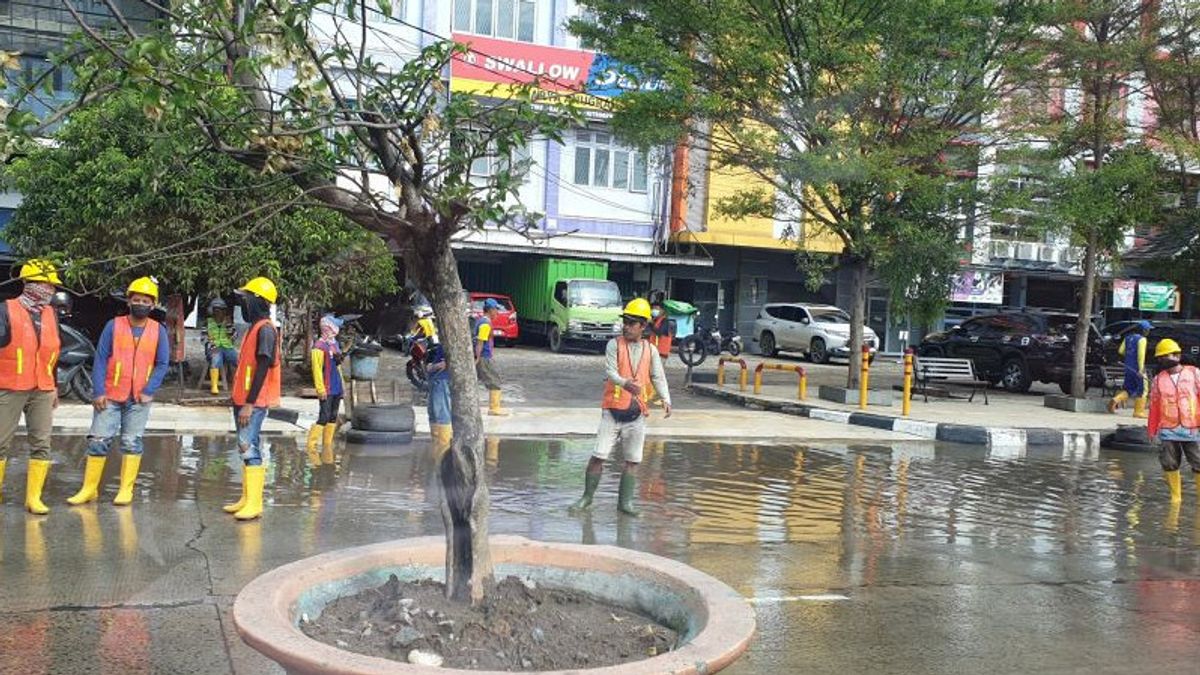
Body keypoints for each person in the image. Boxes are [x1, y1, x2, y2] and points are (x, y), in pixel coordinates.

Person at [68, 277, 169, 507]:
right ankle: (89, 489)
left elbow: (163, 363)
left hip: (139, 398)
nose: (140, 303)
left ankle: (126, 490)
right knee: (98, 441)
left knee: (132, 442)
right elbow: (101, 358)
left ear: (152, 305)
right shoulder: (113, 325)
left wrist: (150, 389)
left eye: (145, 300)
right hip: (111, 394)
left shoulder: (158, 330)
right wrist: (98, 391)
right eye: (136, 299)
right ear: (129, 301)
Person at [570, 298, 672, 517]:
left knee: (633, 460)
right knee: (599, 455)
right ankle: (586, 498)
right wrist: (626, 383)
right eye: (625, 321)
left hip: (636, 414)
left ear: (643, 326)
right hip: (612, 411)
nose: (626, 326)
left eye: (631, 322)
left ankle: (625, 503)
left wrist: (666, 398)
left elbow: (658, 376)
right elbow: (611, 372)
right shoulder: (614, 345)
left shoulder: (651, 350)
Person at [0, 259, 62, 515]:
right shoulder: (5, 310)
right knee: (0, 443)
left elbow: (53, 352)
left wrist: (54, 385)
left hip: (43, 388)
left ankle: (33, 498)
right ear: (26, 283)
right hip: (9, 386)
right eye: (41, 283)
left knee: (41, 443)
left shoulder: (51, 313)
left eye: (50, 285)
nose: (47, 289)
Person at [223, 276, 281, 521]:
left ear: (259, 301)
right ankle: (246, 498)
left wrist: (248, 403)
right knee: (244, 446)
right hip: (243, 399)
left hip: (253, 402)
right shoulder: (254, 328)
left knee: (249, 446)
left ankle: (255, 503)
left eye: (246, 298)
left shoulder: (265, 329)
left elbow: (263, 366)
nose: (243, 303)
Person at [1147, 338, 1200, 504]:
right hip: (1168, 429)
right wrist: (1151, 430)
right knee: (1169, 462)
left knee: (1198, 461)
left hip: (1193, 427)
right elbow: (1154, 406)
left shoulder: (1194, 373)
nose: (1162, 360)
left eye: (1165, 356)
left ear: (1177, 356)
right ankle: (1175, 498)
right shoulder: (1158, 379)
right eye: (1160, 357)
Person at [308, 314, 344, 466]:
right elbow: (316, 369)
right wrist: (320, 388)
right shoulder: (319, 347)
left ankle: (327, 447)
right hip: (326, 388)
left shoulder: (334, 344)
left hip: (336, 387)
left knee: (333, 416)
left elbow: (338, 367)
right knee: (324, 416)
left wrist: (343, 386)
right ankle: (311, 446)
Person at [423, 312, 453, 458]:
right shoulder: (444, 340)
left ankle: (442, 449)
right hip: (436, 379)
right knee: (433, 413)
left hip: (441, 379)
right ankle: (436, 448)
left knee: (441, 413)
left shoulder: (450, 340)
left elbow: (447, 362)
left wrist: (433, 367)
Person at [1108, 320, 1152, 417]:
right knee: (1143, 389)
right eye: (1148, 330)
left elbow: (1121, 351)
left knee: (1129, 388)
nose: (1148, 332)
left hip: (1128, 367)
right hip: (1137, 368)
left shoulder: (1127, 338)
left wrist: (1129, 356)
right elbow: (1141, 355)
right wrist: (1141, 369)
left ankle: (1116, 399)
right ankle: (1138, 412)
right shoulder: (1142, 339)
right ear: (1144, 330)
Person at [475, 298, 507, 416]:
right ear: (490, 310)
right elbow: (480, 342)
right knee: (494, 381)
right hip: (484, 357)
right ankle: (494, 408)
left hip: (484, 356)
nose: (497, 313)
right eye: (496, 310)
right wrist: (478, 358)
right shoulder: (485, 324)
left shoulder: (482, 321)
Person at [205, 298, 238, 395]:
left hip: (227, 348)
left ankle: (239, 383)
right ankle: (214, 386)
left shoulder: (228, 322)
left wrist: (228, 325)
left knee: (239, 360)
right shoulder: (208, 322)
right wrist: (212, 346)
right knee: (215, 359)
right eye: (216, 310)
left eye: (221, 310)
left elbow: (234, 337)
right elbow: (204, 338)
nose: (218, 312)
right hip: (214, 348)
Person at [646, 293, 673, 406]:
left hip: (661, 353)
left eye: (656, 308)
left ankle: (662, 398)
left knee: (658, 376)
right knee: (651, 374)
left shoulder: (665, 321)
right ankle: (652, 394)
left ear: (662, 310)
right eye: (653, 308)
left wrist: (651, 324)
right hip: (654, 352)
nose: (654, 310)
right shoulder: (656, 320)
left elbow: (659, 332)